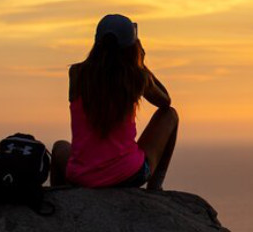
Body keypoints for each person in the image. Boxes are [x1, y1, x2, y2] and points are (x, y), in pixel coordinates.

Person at [50, 14, 178, 190]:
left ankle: (59, 199)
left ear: (96, 41)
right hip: (127, 176)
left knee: (59, 147)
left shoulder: (77, 73)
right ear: (131, 46)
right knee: (170, 115)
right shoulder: (136, 77)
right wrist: (140, 63)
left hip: (81, 177)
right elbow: (165, 102)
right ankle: (155, 186)